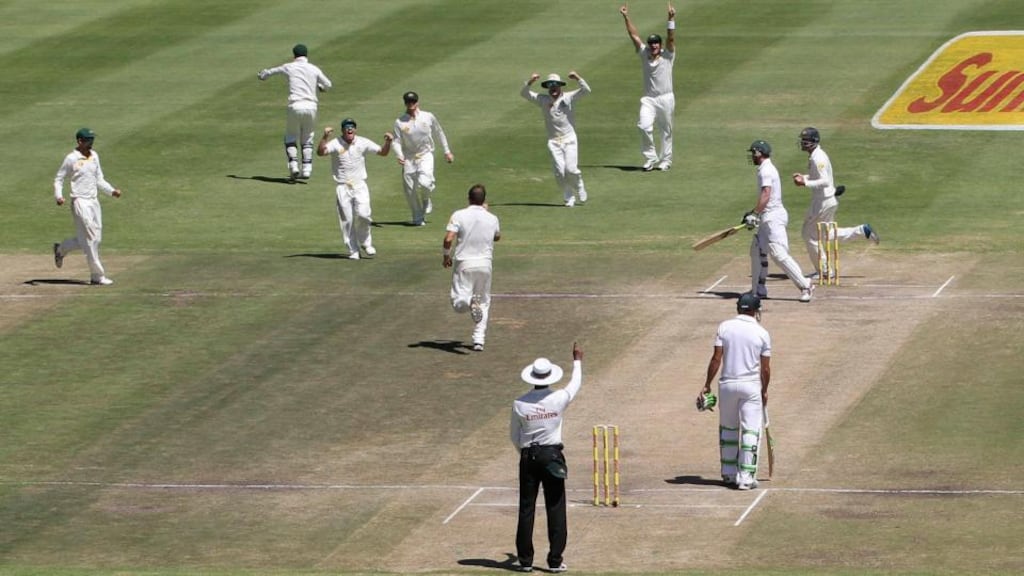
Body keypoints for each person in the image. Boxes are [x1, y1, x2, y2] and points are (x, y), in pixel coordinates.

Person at [510, 341, 583, 574]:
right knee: (556, 507)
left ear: (532, 378)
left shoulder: (519, 403)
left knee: (526, 508)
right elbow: (575, 384)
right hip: (551, 455)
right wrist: (577, 361)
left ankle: (525, 561)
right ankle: (554, 561)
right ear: (549, 377)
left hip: (528, 456)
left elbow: (514, 436)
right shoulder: (558, 398)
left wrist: (526, 455)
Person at [698, 293, 769, 490]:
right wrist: (765, 390)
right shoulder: (762, 333)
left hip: (727, 385)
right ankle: (745, 477)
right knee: (751, 429)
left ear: (739, 308)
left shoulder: (725, 327)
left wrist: (707, 384)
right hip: (751, 386)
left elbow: (716, 359)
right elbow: (765, 368)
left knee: (728, 429)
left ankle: (729, 474)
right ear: (755, 310)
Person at [792, 127, 881, 280]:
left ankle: (825, 271)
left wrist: (804, 182)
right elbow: (818, 176)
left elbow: (825, 181)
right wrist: (805, 176)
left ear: (813, 142)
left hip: (822, 202)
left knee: (809, 236)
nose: (802, 143)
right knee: (827, 234)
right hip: (826, 200)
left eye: (805, 141)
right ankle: (862, 230)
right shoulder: (816, 155)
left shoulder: (817, 157)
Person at [745, 139, 814, 302]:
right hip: (768, 217)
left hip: (773, 218)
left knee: (779, 254)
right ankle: (758, 289)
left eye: (752, 153)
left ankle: (806, 285)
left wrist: (755, 213)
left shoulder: (766, 170)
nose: (751, 156)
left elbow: (766, 194)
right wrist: (755, 214)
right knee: (757, 250)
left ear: (758, 153)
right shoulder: (765, 168)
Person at [52, 128, 122, 286]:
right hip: (79, 202)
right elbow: (59, 179)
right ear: (80, 141)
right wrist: (58, 196)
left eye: (92, 140)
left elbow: (99, 179)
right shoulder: (71, 158)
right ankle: (97, 276)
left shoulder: (95, 156)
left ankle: (60, 249)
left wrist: (111, 191)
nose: (92, 143)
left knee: (94, 239)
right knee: (91, 237)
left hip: (93, 202)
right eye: (89, 140)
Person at [317, 118, 392, 260]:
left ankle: (365, 243)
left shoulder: (363, 142)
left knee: (364, 215)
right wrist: (325, 137)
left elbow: (383, 152)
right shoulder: (335, 143)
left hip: (360, 185)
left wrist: (388, 142)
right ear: (343, 130)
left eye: (352, 127)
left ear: (355, 129)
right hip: (343, 186)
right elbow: (321, 152)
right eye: (346, 127)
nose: (349, 129)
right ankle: (353, 250)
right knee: (347, 220)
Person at [258, 44, 332, 181]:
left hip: (295, 106)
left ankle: (293, 166)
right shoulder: (313, 68)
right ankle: (307, 169)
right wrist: (321, 87)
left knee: (291, 136)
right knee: (308, 137)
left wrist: (263, 75)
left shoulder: (289, 67)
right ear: (306, 55)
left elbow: (272, 71)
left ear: (294, 55)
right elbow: (328, 84)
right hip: (311, 107)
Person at [443, 184, 500, 351]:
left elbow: (448, 239)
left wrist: (446, 255)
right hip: (485, 265)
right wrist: (486, 214)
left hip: (464, 264)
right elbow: (497, 237)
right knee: (484, 302)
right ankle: (479, 340)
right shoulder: (492, 218)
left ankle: (469, 302)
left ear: (469, 199)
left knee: (458, 303)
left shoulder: (459, 215)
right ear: (484, 201)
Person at [520, 72, 591, 207]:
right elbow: (524, 93)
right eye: (550, 86)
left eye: (555, 86)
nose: (553, 89)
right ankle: (568, 197)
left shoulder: (569, 97)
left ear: (560, 87)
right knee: (559, 172)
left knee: (570, 169)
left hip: (569, 138)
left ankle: (579, 185)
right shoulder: (543, 100)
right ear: (547, 88)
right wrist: (531, 81)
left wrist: (577, 78)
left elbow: (586, 90)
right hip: (554, 141)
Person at [620, 3, 677, 171]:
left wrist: (671, 18)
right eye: (651, 43)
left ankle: (666, 161)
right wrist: (625, 16)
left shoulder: (668, 55)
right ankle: (651, 158)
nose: (653, 46)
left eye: (656, 43)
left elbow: (671, 38)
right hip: (649, 99)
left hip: (666, 98)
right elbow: (634, 35)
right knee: (644, 126)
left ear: (660, 45)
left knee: (666, 131)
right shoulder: (644, 54)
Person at [392, 91, 454, 226]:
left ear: (417, 102)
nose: (411, 104)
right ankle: (417, 217)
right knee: (410, 190)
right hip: (409, 157)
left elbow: (439, 132)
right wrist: (399, 154)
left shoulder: (428, 116)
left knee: (425, 183)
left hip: (426, 154)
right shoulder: (399, 121)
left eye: (413, 101)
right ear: (405, 103)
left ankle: (426, 199)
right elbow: (396, 141)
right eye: (408, 102)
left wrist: (447, 151)